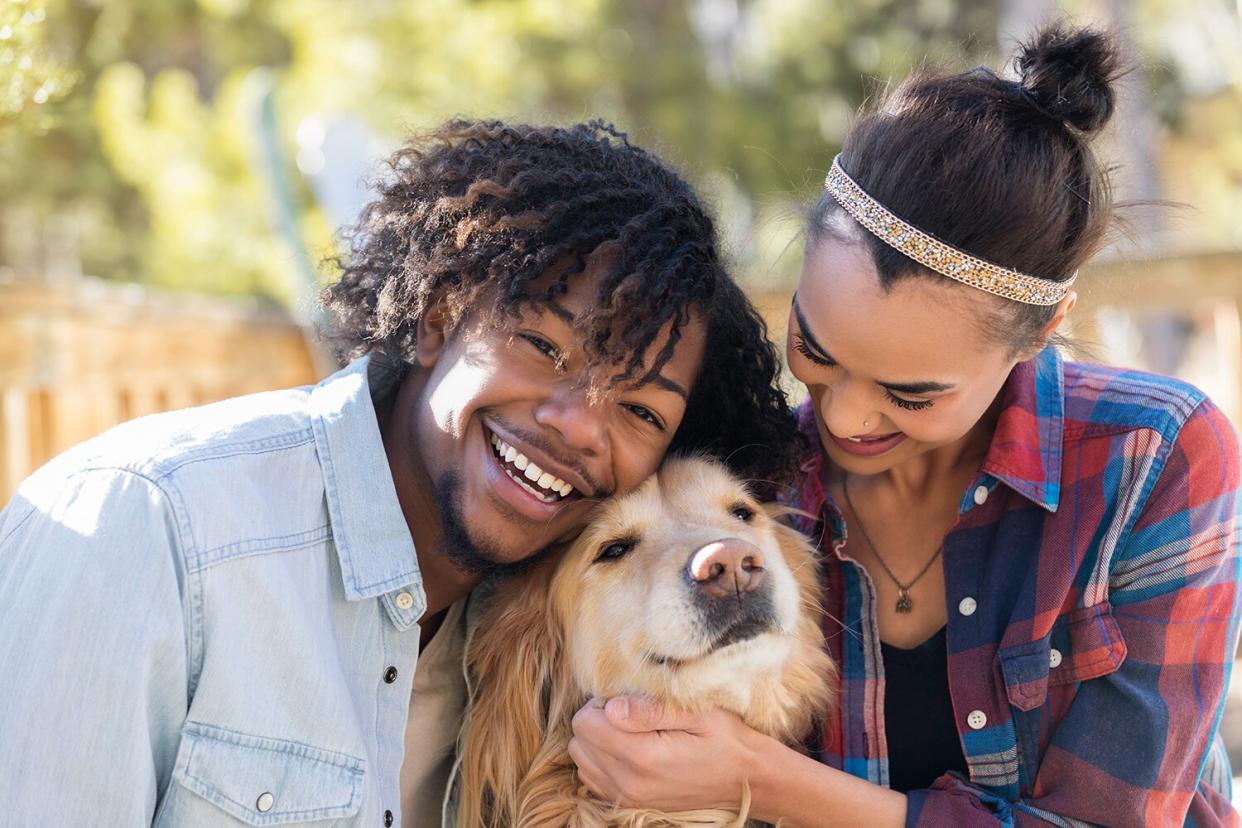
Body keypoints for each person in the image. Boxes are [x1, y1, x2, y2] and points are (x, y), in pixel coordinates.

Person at [0, 119, 804, 826]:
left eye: (640, 412)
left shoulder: (523, 631)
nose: (577, 426)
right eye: (547, 349)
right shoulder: (147, 526)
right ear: (438, 315)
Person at [568, 24, 1242, 827]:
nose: (842, 417)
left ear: (1042, 329)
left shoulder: (1155, 457)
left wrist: (764, 778)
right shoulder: (761, 486)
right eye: (814, 349)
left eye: (911, 393)